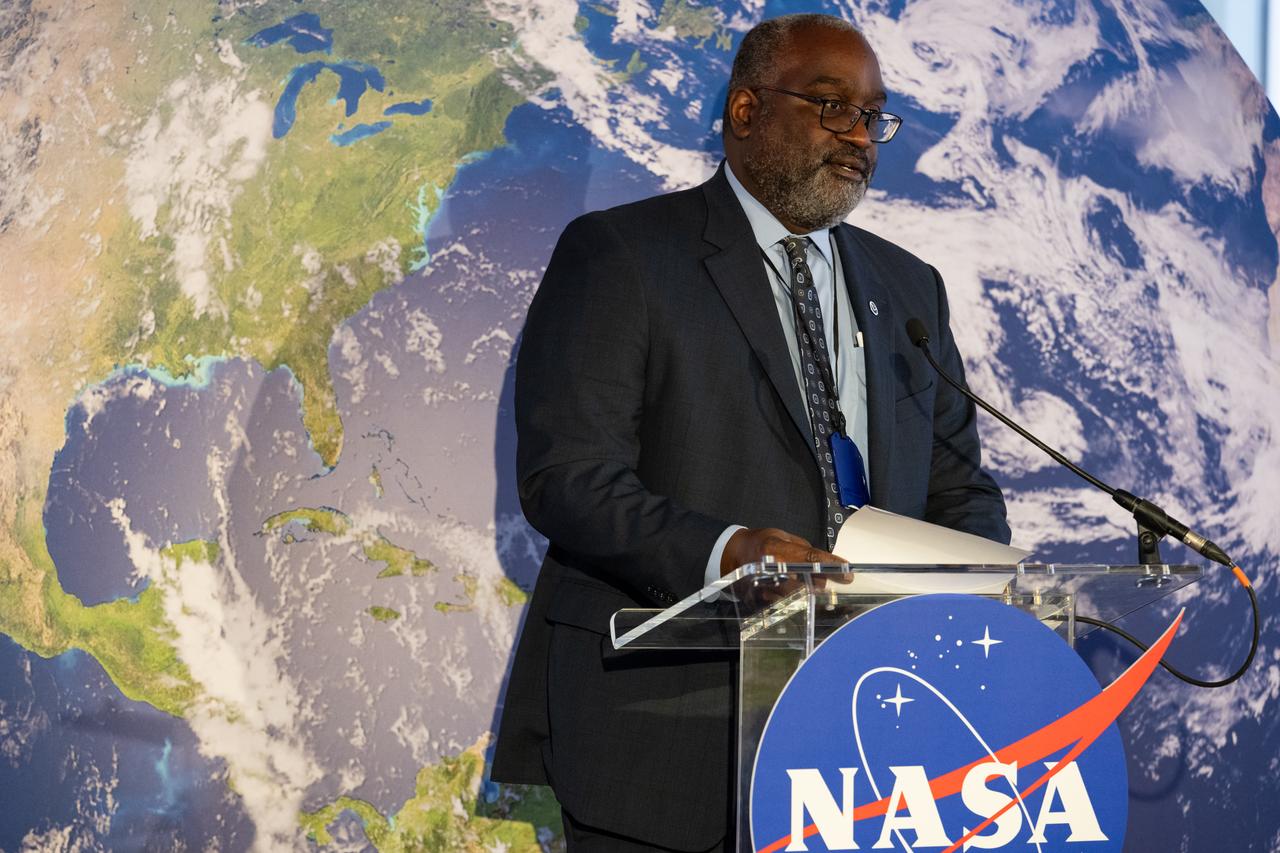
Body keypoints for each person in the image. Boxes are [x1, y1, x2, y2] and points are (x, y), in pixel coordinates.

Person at [491, 13, 1010, 852]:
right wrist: (728, 553)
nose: (860, 137)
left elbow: (959, 488)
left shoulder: (912, 290)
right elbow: (570, 476)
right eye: (832, 105)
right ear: (744, 110)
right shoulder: (622, 254)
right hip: (669, 737)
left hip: (868, 747)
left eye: (874, 117)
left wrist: (973, 605)